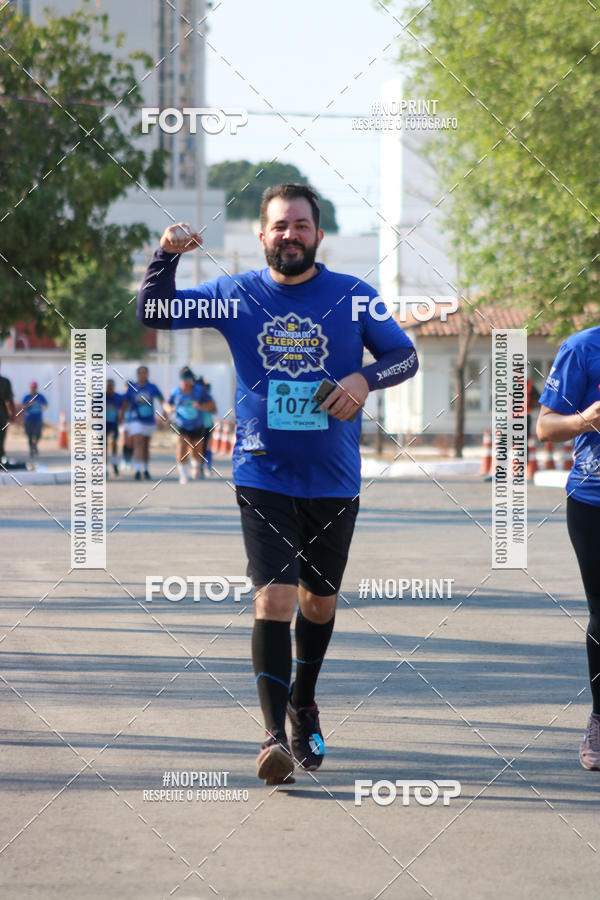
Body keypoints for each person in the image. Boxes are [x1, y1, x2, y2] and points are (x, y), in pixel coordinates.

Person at [137, 183, 419, 784]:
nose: (289, 234)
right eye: (279, 226)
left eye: (300, 225)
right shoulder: (235, 294)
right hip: (261, 472)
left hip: (334, 478)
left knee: (319, 602)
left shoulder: (353, 297)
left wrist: (366, 381)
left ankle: (303, 702)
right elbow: (153, 313)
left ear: (318, 235)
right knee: (275, 597)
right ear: (261, 236)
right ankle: (271, 738)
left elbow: (405, 357)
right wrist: (166, 256)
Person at [537, 325, 600, 770]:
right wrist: (584, 419)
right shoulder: (582, 349)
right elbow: (545, 427)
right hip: (594, 498)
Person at [165, 366, 217, 484]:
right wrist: (169, 409)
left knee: (196, 450)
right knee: (182, 445)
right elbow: (166, 404)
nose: (188, 383)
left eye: (190, 380)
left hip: (197, 424)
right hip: (181, 424)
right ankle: (183, 475)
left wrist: (201, 407)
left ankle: (196, 465)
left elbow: (212, 405)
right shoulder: (175, 392)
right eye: (185, 380)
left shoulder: (199, 391)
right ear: (181, 380)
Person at [119, 366, 166, 481]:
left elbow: (162, 400)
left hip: (149, 420)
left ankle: (145, 469)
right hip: (136, 419)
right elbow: (125, 402)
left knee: (145, 445)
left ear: (147, 374)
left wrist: (165, 412)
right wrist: (121, 414)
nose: (143, 375)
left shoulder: (152, 387)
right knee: (138, 442)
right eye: (141, 373)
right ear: (138, 374)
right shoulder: (132, 388)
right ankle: (138, 470)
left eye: (145, 373)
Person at [21, 381, 48, 459]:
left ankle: (35, 445)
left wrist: (42, 407)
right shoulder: (27, 397)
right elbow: (23, 407)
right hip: (28, 419)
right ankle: (31, 450)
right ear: (30, 388)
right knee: (29, 435)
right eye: (32, 387)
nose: (33, 389)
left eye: (35, 387)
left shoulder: (40, 397)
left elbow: (45, 405)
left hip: (38, 418)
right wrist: (29, 404)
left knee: (38, 434)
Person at [196, 375, 215, 475]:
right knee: (198, 447)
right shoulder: (193, 396)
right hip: (196, 425)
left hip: (207, 424)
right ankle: (199, 467)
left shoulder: (207, 396)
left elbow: (214, 410)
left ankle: (207, 466)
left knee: (206, 447)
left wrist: (203, 406)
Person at [105, 379, 124, 476]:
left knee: (113, 442)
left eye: (111, 386)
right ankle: (104, 467)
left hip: (113, 424)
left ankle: (114, 464)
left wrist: (121, 416)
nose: (109, 388)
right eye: (108, 386)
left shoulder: (118, 397)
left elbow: (123, 407)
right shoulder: (100, 397)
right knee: (103, 446)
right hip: (102, 425)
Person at [0, 362, 15, 464]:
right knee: (1, 438)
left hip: (2, 415)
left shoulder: (5, 382)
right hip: (2, 416)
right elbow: (9, 400)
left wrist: (12, 414)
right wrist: (12, 414)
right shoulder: (4, 382)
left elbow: (9, 400)